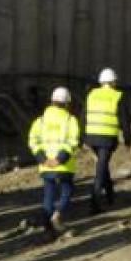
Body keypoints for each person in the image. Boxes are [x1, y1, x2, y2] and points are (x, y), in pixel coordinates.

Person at [28, 87, 80, 235]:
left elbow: (33, 140)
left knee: (48, 195)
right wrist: (59, 159)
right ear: (67, 103)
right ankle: (58, 213)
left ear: (52, 101)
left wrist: (42, 159)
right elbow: (72, 141)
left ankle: (47, 227)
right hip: (63, 166)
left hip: (45, 166)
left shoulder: (41, 120)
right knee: (67, 190)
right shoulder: (70, 120)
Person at [83, 68, 131, 214]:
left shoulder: (91, 95)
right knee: (101, 168)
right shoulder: (117, 96)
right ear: (113, 82)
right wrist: (128, 138)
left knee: (102, 164)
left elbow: (83, 115)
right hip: (106, 138)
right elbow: (124, 119)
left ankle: (110, 194)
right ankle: (94, 202)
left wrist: (81, 137)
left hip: (91, 137)